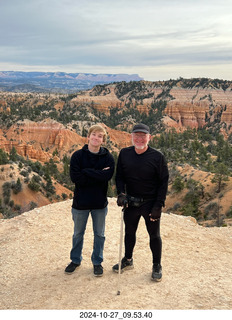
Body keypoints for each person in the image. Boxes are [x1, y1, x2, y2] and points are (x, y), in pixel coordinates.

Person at [112, 123, 169, 281]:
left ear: (149, 137)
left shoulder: (157, 157)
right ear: (131, 137)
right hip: (130, 202)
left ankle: (156, 265)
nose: (139, 139)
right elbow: (120, 176)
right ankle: (128, 260)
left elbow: (163, 182)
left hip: (150, 203)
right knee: (129, 233)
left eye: (143, 136)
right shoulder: (124, 153)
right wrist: (121, 193)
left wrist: (159, 205)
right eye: (136, 135)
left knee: (154, 235)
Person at [65, 124, 115, 277]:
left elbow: (107, 177)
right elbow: (76, 178)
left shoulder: (108, 158)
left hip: (99, 204)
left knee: (99, 234)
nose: (96, 138)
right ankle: (75, 260)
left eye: (100, 136)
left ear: (103, 140)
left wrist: (86, 172)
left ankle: (97, 262)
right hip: (81, 203)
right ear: (88, 137)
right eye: (94, 134)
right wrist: (97, 174)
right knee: (78, 234)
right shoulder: (77, 156)